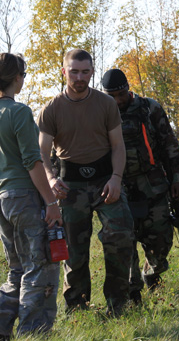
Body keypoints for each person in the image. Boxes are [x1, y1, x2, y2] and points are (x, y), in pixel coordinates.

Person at [37, 49, 134, 315]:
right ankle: (78, 310)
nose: (80, 77)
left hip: (106, 180)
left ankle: (119, 305)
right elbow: (42, 153)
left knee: (120, 236)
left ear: (92, 71)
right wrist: (51, 178)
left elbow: (118, 146)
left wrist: (116, 178)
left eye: (86, 71)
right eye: (74, 71)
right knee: (74, 252)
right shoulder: (51, 109)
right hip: (71, 186)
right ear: (64, 71)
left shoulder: (106, 104)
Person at [100, 69, 179, 303]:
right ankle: (133, 291)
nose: (118, 101)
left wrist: (178, 179)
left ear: (128, 89)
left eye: (121, 94)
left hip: (152, 184)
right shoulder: (99, 112)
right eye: (112, 96)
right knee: (124, 240)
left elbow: (170, 144)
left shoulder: (150, 108)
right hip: (117, 186)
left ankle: (151, 273)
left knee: (161, 240)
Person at [0, 53, 62, 338]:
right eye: (23, 74)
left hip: (3, 200)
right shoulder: (18, 112)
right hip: (25, 197)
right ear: (17, 78)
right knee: (40, 269)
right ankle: (33, 333)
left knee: (17, 269)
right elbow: (32, 161)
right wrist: (51, 201)